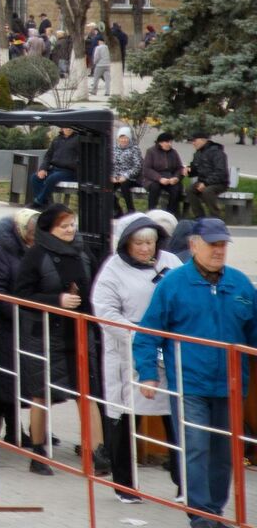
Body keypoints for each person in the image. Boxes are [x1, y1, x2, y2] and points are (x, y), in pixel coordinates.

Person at [137, 218, 257, 525]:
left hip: (231, 385)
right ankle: (201, 516)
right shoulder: (174, 284)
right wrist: (147, 372)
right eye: (212, 244)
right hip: (190, 383)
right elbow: (149, 332)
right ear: (194, 245)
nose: (219, 251)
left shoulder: (240, 284)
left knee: (226, 452)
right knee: (196, 448)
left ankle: (214, 510)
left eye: (222, 245)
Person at [91, 214, 180, 503]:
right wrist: (138, 337)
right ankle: (125, 485)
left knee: (176, 417)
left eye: (150, 242)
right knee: (126, 417)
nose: (145, 248)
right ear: (126, 243)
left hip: (169, 350)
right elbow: (105, 311)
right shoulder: (112, 271)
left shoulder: (172, 263)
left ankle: (184, 482)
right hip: (127, 353)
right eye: (139, 243)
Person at [11, 203, 93, 474]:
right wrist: (56, 300)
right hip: (45, 334)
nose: (70, 230)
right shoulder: (36, 255)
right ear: (49, 229)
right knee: (41, 394)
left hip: (78, 332)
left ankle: (95, 452)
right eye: (64, 226)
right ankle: (38, 452)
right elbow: (21, 295)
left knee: (87, 393)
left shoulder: (82, 253)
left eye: (72, 224)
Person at [27, 127, 79, 209]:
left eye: (71, 127)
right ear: (62, 128)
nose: (68, 129)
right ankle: (45, 204)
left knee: (52, 178)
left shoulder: (78, 139)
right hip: (55, 169)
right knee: (35, 177)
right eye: (66, 127)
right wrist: (43, 169)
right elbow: (48, 156)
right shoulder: (57, 139)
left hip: (70, 171)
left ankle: (38, 202)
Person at [186, 131, 229, 220]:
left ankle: (215, 217)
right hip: (203, 181)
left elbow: (220, 172)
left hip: (219, 183)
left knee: (207, 191)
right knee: (190, 190)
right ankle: (199, 217)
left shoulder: (217, 152)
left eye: (194, 141)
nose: (193, 143)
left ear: (203, 140)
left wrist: (205, 183)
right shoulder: (198, 153)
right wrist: (189, 170)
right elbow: (195, 169)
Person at [142, 132, 186, 214]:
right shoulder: (151, 151)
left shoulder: (174, 152)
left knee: (176, 188)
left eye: (171, 142)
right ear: (160, 143)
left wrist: (176, 178)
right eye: (167, 142)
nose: (170, 144)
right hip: (154, 179)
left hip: (170, 179)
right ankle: (151, 212)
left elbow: (179, 168)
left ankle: (171, 213)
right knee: (155, 187)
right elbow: (147, 169)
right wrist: (159, 178)